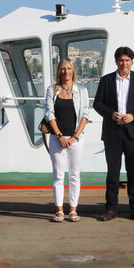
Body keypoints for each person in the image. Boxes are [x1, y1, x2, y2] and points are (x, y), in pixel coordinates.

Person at [93, 47, 134, 221]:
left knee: (133, 172)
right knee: (112, 172)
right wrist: (111, 114)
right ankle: (111, 209)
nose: (124, 63)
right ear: (116, 62)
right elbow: (98, 104)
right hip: (112, 133)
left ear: (131, 61)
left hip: (133, 133)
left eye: (127, 60)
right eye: (121, 60)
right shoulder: (106, 80)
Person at [44, 59, 89, 223]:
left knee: (74, 175)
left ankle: (73, 209)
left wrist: (74, 136)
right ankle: (59, 210)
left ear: (73, 71)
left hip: (76, 139)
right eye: (63, 69)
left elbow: (85, 114)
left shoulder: (82, 90)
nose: (66, 72)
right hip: (58, 139)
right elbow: (50, 114)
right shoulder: (52, 90)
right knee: (58, 175)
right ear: (59, 72)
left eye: (69, 68)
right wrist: (59, 136)